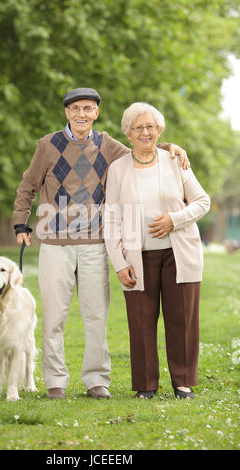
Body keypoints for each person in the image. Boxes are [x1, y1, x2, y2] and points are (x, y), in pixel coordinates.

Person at [13, 89, 189, 400]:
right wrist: (20, 222)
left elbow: (141, 150)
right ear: (67, 112)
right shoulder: (48, 145)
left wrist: (167, 146)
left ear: (96, 113)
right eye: (75, 108)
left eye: (88, 108)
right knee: (55, 316)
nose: (81, 113)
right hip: (55, 242)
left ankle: (96, 380)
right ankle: (56, 381)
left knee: (96, 315)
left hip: (95, 242)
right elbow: (29, 184)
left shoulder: (108, 145)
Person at [104, 102, 210, 400]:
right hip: (138, 257)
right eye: (138, 127)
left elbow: (202, 202)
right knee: (140, 323)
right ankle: (146, 385)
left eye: (151, 126)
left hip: (180, 254)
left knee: (182, 320)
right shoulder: (117, 169)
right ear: (128, 133)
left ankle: (183, 382)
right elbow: (111, 218)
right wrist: (119, 262)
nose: (145, 132)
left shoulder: (175, 161)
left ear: (159, 130)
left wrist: (173, 220)